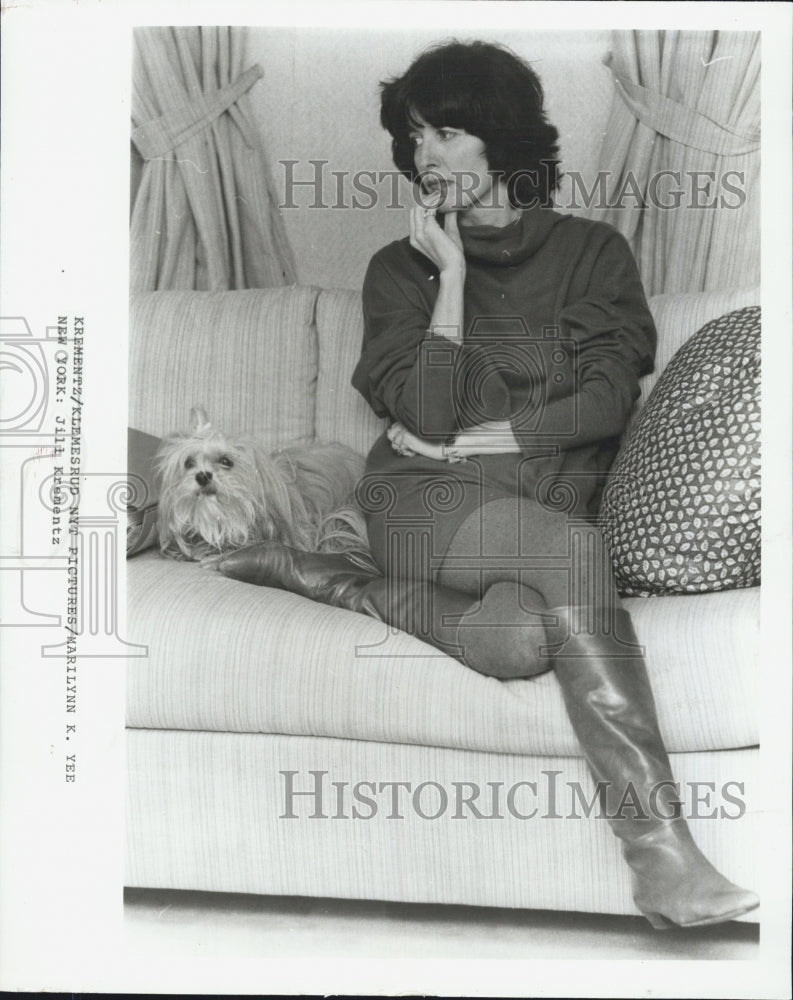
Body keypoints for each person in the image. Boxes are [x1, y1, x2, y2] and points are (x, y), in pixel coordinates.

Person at [220, 40, 759, 929]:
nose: (426, 154)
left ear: (501, 138)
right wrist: (453, 281)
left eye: (449, 130)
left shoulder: (593, 252)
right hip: (419, 501)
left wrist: (497, 433)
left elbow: (605, 396)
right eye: (415, 134)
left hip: (531, 504)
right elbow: (425, 420)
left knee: (515, 641)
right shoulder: (400, 269)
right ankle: (663, 858)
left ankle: (337, 582)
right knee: (575, 552)